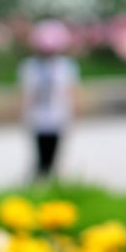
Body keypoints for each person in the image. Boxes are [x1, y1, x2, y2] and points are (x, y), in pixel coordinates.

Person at [19, 20, 79, 180]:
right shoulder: (31, 66)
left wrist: (72, 117)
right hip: (38, 118)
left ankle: (48, 183)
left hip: (58, 117)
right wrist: (25, 116)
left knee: (54, 158)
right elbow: (28, 94)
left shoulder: (65, 66)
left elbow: (70, 93)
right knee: (41, 158)